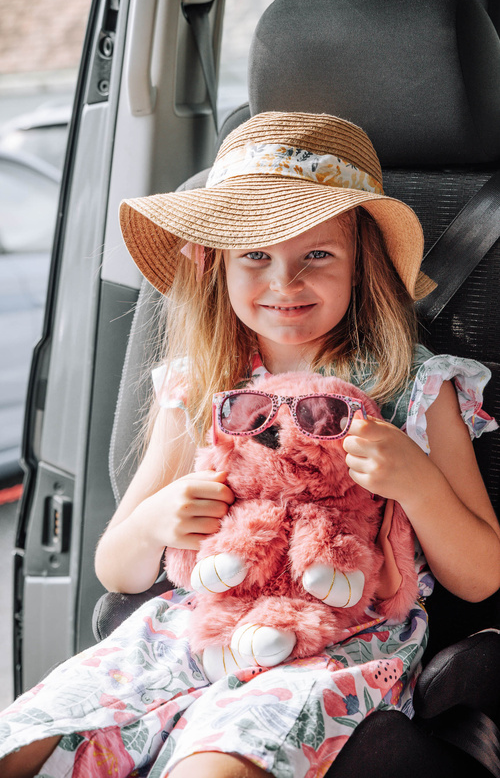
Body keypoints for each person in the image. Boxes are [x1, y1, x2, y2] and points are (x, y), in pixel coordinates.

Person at [1, 111, 499, 778]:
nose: (284, 282)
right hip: (185, 631)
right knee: (27, 742)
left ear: (362, 264)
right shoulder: (198, 385)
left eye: (316, 255)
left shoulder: (415, 387)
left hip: (332, 644)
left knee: (213, 766)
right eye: (255, 255)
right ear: (217, 266)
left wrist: (417, 482)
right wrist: (155, 521)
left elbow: (482, 574)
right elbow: (118, 569)